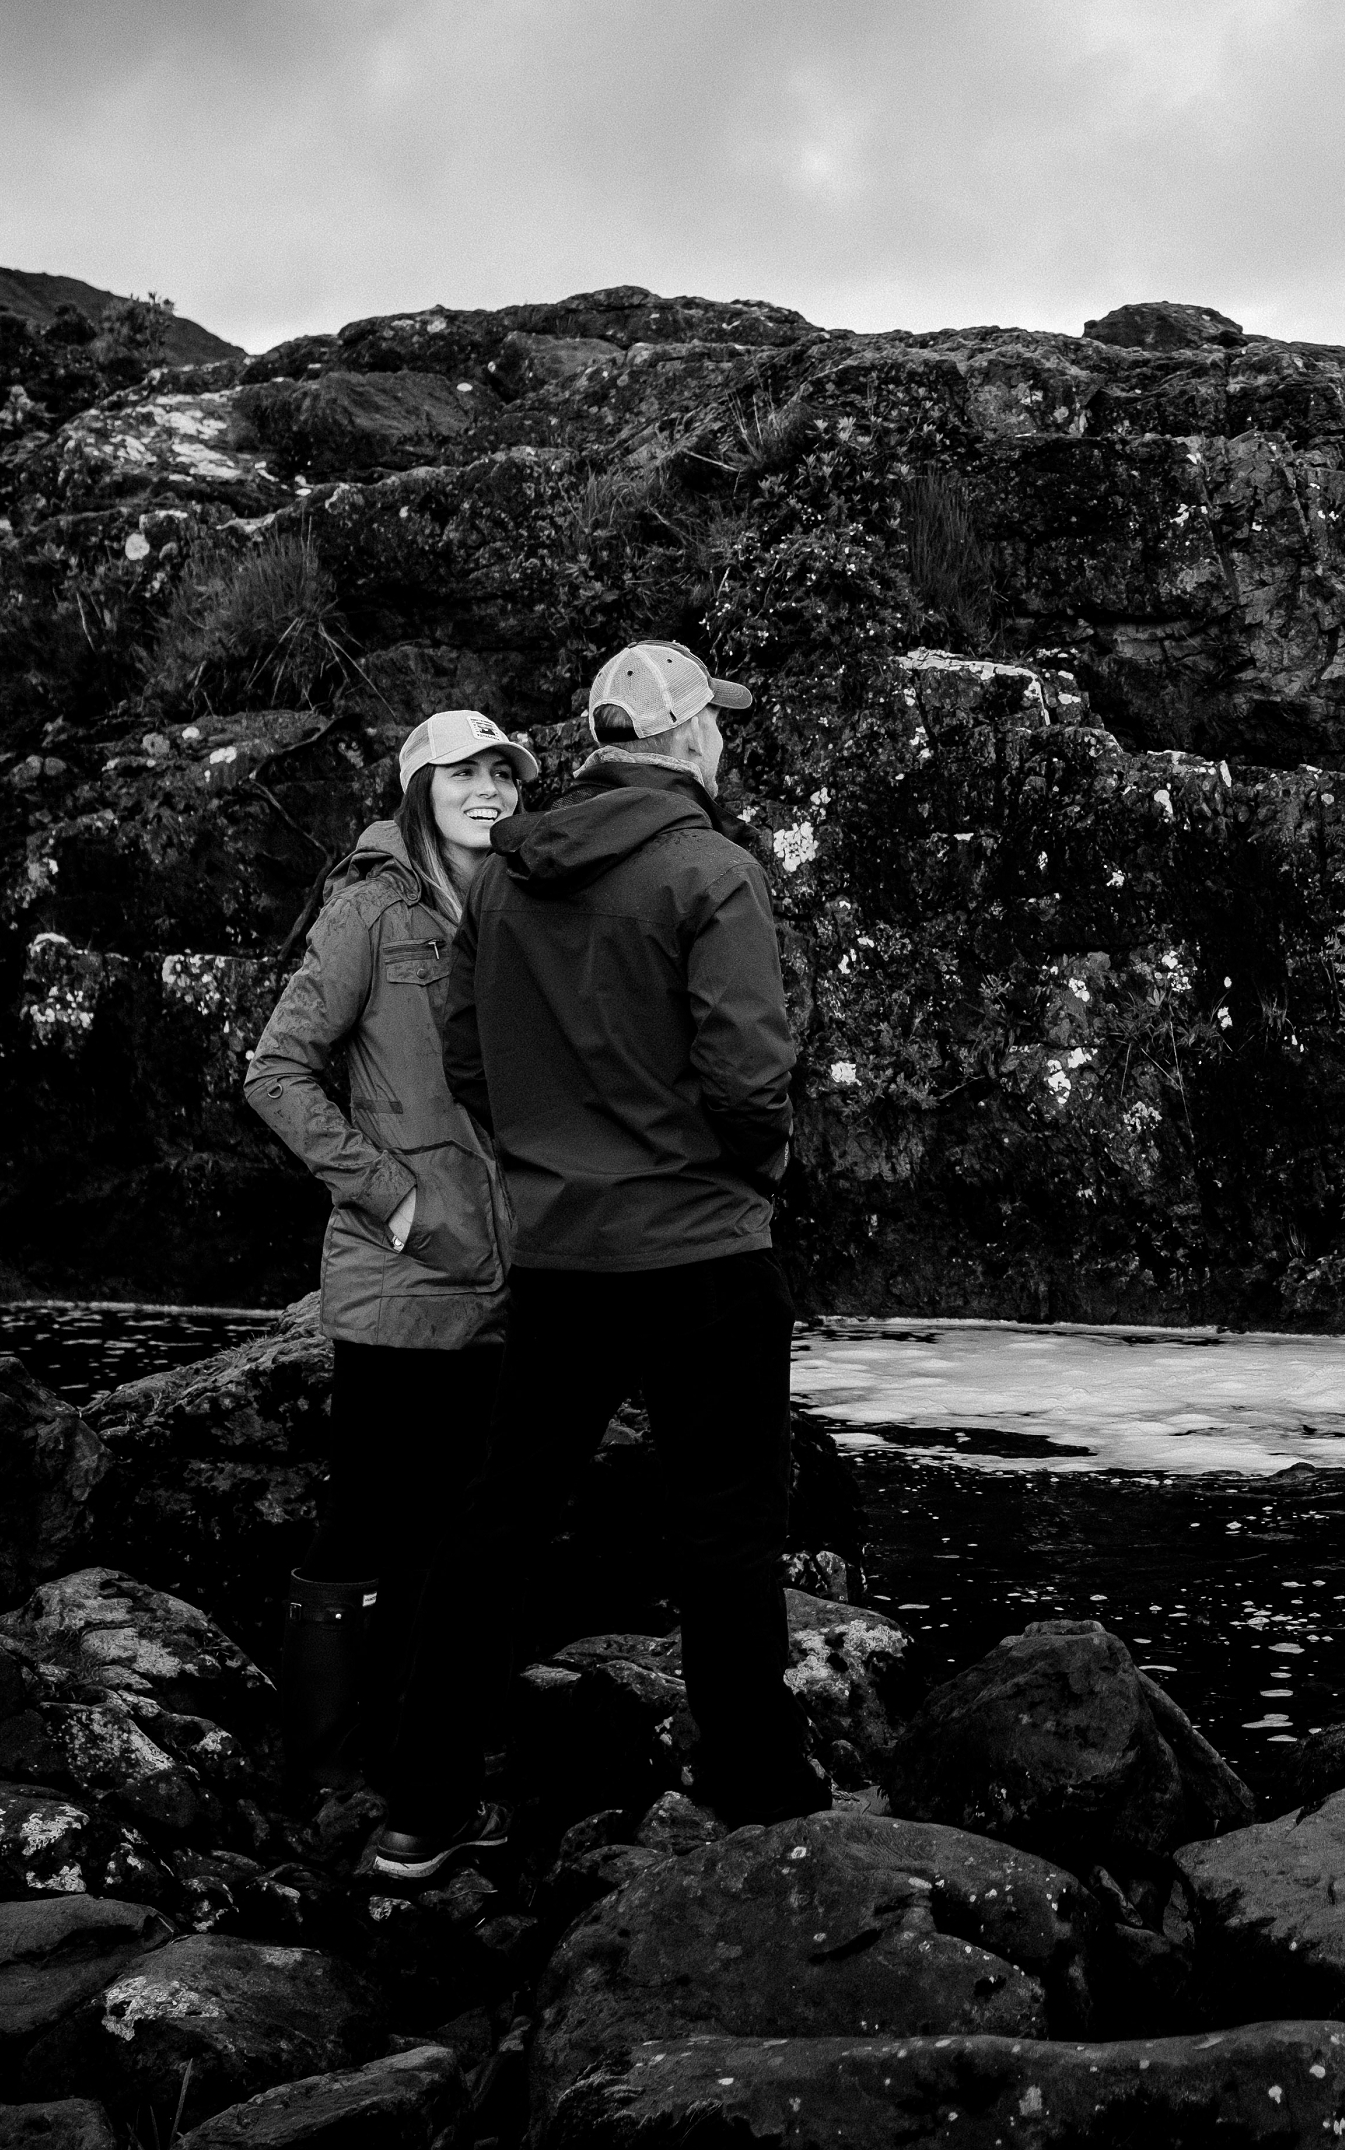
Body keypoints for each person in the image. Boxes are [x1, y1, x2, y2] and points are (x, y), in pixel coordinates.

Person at [357, 640, 814, 1880]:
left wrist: (549, 1160)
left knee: (496, 1526)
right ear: (680, 738)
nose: (721, 735)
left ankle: (420, 1807)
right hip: (703, 1249)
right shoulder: (711, 872)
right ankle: (753, 1781)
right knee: (726, 1527)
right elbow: (748, 1074)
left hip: (563, 1257)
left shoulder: (505, 882)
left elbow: (465, 1058)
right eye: (712, 719)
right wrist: (746, 1177)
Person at [240, 707, 536, 1790]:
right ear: (419, 785)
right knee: (370, 1510)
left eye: (501, 769)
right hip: (402, 1274)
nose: (488, 787)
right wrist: (395, 1200)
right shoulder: (370, 908)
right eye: (463, 771)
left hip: (508, 1281)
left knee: (462, 1525)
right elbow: (276, 1073)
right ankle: (322, 1770)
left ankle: (431, 1756)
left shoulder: (516, 903)